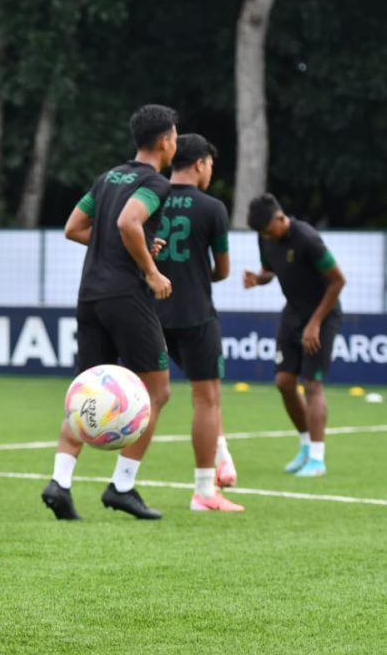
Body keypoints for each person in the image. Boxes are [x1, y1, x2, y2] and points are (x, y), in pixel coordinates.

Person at [41, 104, 177, 521]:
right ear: (164, 141)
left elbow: (74, 228)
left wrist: (133, 248)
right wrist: (150, 271)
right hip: (126, 297)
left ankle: (59, 483)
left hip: (91, 295)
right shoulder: (156, 182)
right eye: (174, 137)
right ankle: (122, 487)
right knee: (158, 391)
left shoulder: (107, 178)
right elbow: (128, 222)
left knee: (86, 394)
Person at [153, 134, 243, 512]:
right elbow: (222, 270)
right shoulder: (212, 208)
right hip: (195, 314)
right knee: (206, 399)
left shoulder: (149, 196)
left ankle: (122, 481)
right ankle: (205, 491)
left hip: (152, 314)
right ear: (201, 163)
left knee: (153, 398)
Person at [244, 194, 345, 478]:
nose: (266, 236)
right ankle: (304, 445)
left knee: (312, 385)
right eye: (261, 234)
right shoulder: (265, 237)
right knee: (284, 382)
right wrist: (257, 278)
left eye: (267, 230)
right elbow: (269, 270)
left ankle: (317, 458)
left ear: (279, 218)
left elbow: (338, 281)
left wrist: (315, 324)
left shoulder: (308, 239)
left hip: (322, 316)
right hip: (293, 314)